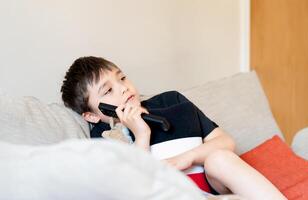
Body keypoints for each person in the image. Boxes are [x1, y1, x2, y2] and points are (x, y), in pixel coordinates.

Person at [61, 56, 286, 200]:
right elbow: (131, 189)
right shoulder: (103, 140)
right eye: (107, 91)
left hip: (212, 185)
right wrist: (141, 136)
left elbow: (226, 142)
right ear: (91, 115)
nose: (122, 88)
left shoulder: (171, 102)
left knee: (220, 158)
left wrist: (187, 158)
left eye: (122, 78)